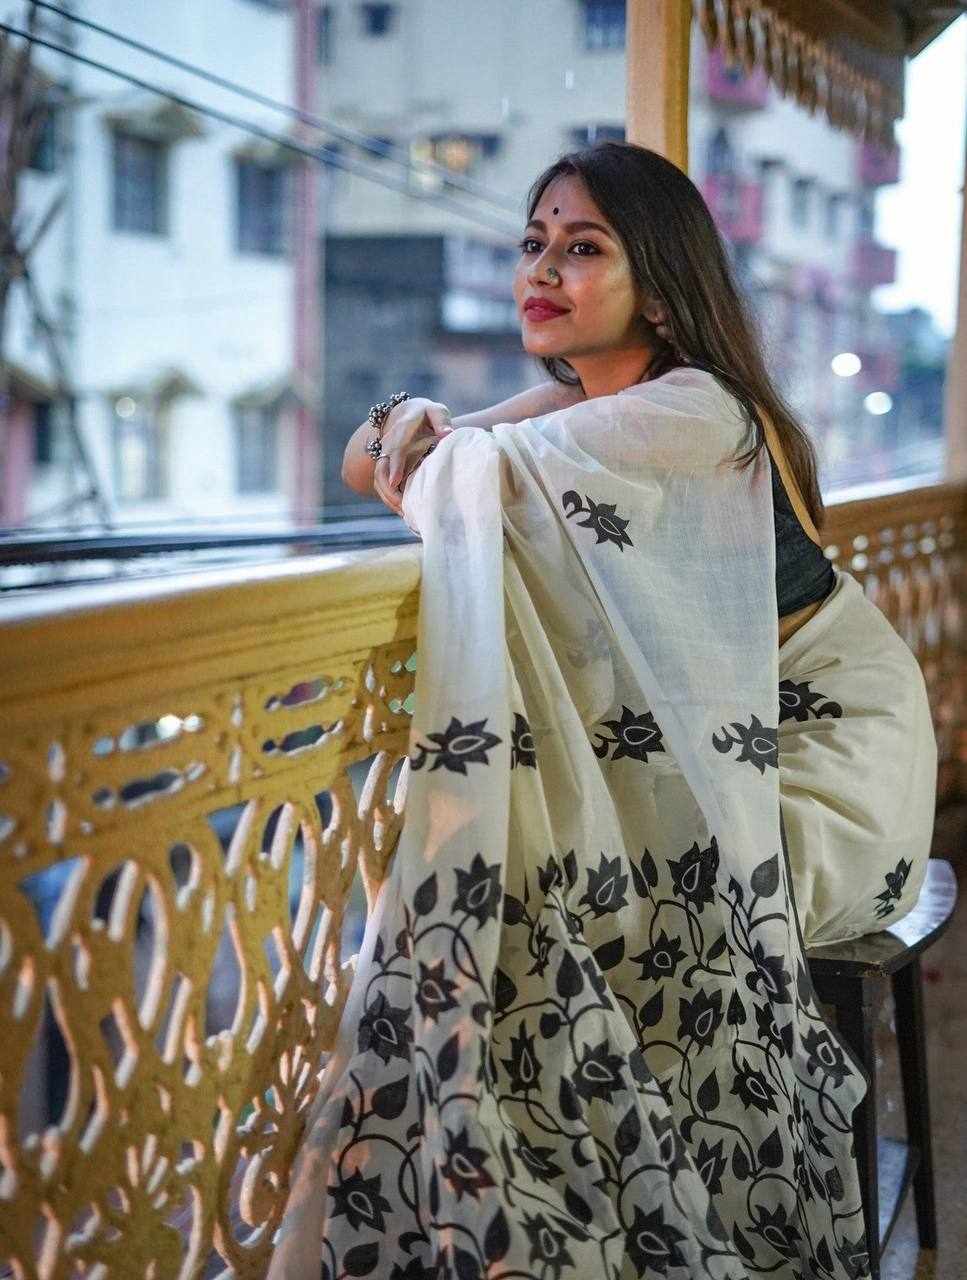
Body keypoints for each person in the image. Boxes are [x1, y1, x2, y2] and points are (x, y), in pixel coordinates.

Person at [271, 141, 937, 1280]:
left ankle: (588, 1194)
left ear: (662, 290)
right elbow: (379, 463)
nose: (540, 270)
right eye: (533, 242)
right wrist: (415, 415)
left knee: (594, 897)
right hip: (728, 737)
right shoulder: (582, 408)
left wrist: (431, 439)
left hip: (828, 745)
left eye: (581, 249)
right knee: (541, 876)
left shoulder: (695, 411)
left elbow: (447, 477)